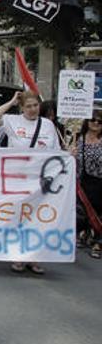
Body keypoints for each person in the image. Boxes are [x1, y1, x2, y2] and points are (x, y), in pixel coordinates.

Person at [0, 91, 59, 275]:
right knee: (18, 218)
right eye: (28, 106)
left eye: (35, 105)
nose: (32, 109)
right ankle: (18, 256)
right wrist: (12, 101)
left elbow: (57, 153)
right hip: (16, 182)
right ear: (22, 108)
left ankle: (34, 257)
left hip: (39, 182)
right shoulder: (12, 121)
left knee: (37, 220)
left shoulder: (48, 125)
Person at [73, 105, 102, 259]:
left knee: (99, 212)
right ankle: (82, 233)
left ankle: (98, 242)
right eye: (93, 120)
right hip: (84, 180)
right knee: (82, 211)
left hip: (100, 180)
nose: (96, 123)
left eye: (100, 121)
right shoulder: (79, 138)